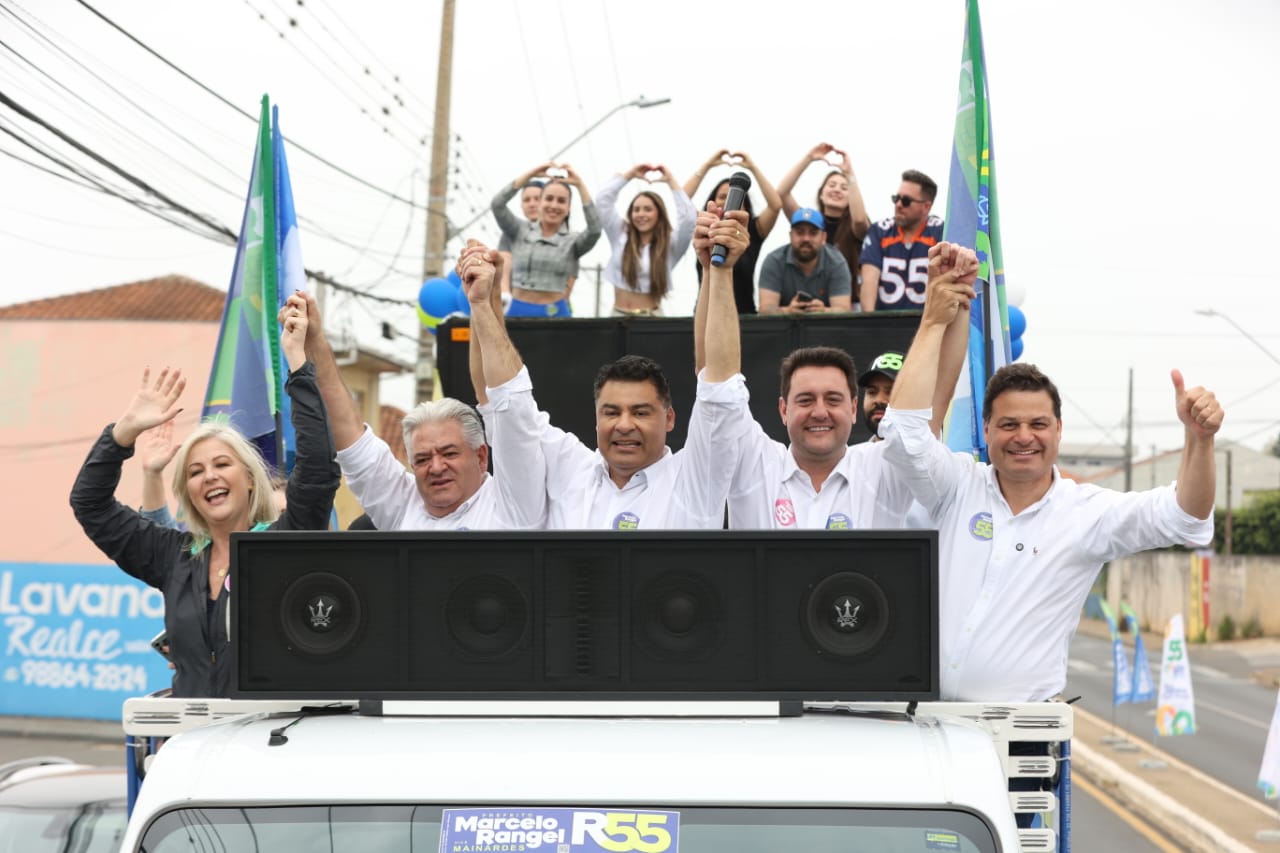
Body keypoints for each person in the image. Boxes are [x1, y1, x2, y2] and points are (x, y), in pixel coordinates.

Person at [880, 242, 1220, 702]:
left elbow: (1186, 518)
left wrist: (1199, 440)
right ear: (986, 429)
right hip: (926, 724)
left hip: (1022, 742)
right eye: (1009, 425)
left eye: (1038, 424)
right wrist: (934, 318)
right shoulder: (955, 486)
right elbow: (904, 437)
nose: (1024, 437)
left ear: (1058, 430)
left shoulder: (1086, 514)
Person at [69, 294, 340, 698]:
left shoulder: (285, 543)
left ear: (249, 479)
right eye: (195, 472)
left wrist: (297, 364)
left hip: (269, 743)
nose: (209, 477)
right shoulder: (173, 557)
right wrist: (123, 432)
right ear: (188, 493)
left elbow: (317, 469)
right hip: (192, 745)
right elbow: (90, 505)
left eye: (221, 465)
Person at [459, 213, 751, 530]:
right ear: (596, 417)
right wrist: (483, 302)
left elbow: (719, 386)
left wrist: (719, 271)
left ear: (669, 419)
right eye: (612, 412)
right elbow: (502, 401)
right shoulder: (569, 469)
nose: (624, 425)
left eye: (640, 413)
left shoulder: (694, 479)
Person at [298, 291, 540, 530]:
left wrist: (483, 301)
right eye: (422, 459)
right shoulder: (401, 505)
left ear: (481, 457)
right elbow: (350, 437)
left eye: (449, 454)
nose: (436, 468)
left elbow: (509, 402)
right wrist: (314, 342)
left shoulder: (511, 504)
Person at [490, 162, 600, 318]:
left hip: (556, 313)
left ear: (568, 208)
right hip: (516, 310)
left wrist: (580, 186)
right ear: (540, 202)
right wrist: (530, 174)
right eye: (549, 199)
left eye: (561, 201)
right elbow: (497, 205)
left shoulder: (573, 241)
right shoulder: (519, 230)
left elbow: (595, 230)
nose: (554, 205)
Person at [684, 149, 783, 314]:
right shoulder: (704, 227)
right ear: (712, 202)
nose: (729, 201)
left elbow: (776, 205)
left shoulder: (753, 229)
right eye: (723, 196)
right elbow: (682, 201)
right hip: (706, 314)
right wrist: (707, 165)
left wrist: (752, 168)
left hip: (743, 317)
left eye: (736, 196)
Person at [595, 163, 696, 315]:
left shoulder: (670, 244)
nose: (641, 214)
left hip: (652, 318)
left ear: (659, 214)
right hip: (617, 316)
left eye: (648, 209)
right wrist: (629, 175)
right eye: (636, 209)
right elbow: (602, 201)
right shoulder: (620, 233)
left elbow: (688, 220)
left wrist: (671, 181)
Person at [776, 142, 871, 295]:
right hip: (811, 301)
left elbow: (860, 220)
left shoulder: (855, 226)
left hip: (848, 302)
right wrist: (809, 158)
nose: (836, 190)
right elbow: (781, 194)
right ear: (821, 193)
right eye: (832, 185)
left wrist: (849, 174)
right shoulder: (808, 222)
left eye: (844, 188)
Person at [860, 169, 944, 312]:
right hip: (885, 325)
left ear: (926, 207)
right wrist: (870, 325)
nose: (898, 204)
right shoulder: (879, 231)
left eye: (906, 201)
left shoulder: (941, 232)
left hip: (927, 325)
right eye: (896, 198)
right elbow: (869, 281)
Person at [758, 209, 852, 314]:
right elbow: (765, 310)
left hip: (826, 328)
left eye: (813, 233)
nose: (806, 238)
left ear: (823, 237)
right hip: (785, 328)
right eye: (800, 232)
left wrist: (823, 311)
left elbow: (844, 310)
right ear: (790, 235)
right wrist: (788, 311)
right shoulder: (774, 261)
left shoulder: (836, 263)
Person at [495, 179, 544, 300]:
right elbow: (497, 205)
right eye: (526, 200)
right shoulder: (513, 231)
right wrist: (505, 293)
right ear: (521, 205)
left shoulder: (562, 235)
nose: (532, 204)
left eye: (537, 199)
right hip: (516, 302)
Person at [858, 351, 904, 440]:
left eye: (891, 392)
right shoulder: (852, 453)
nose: (878, 400)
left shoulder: (934, 452)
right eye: (872, 392)